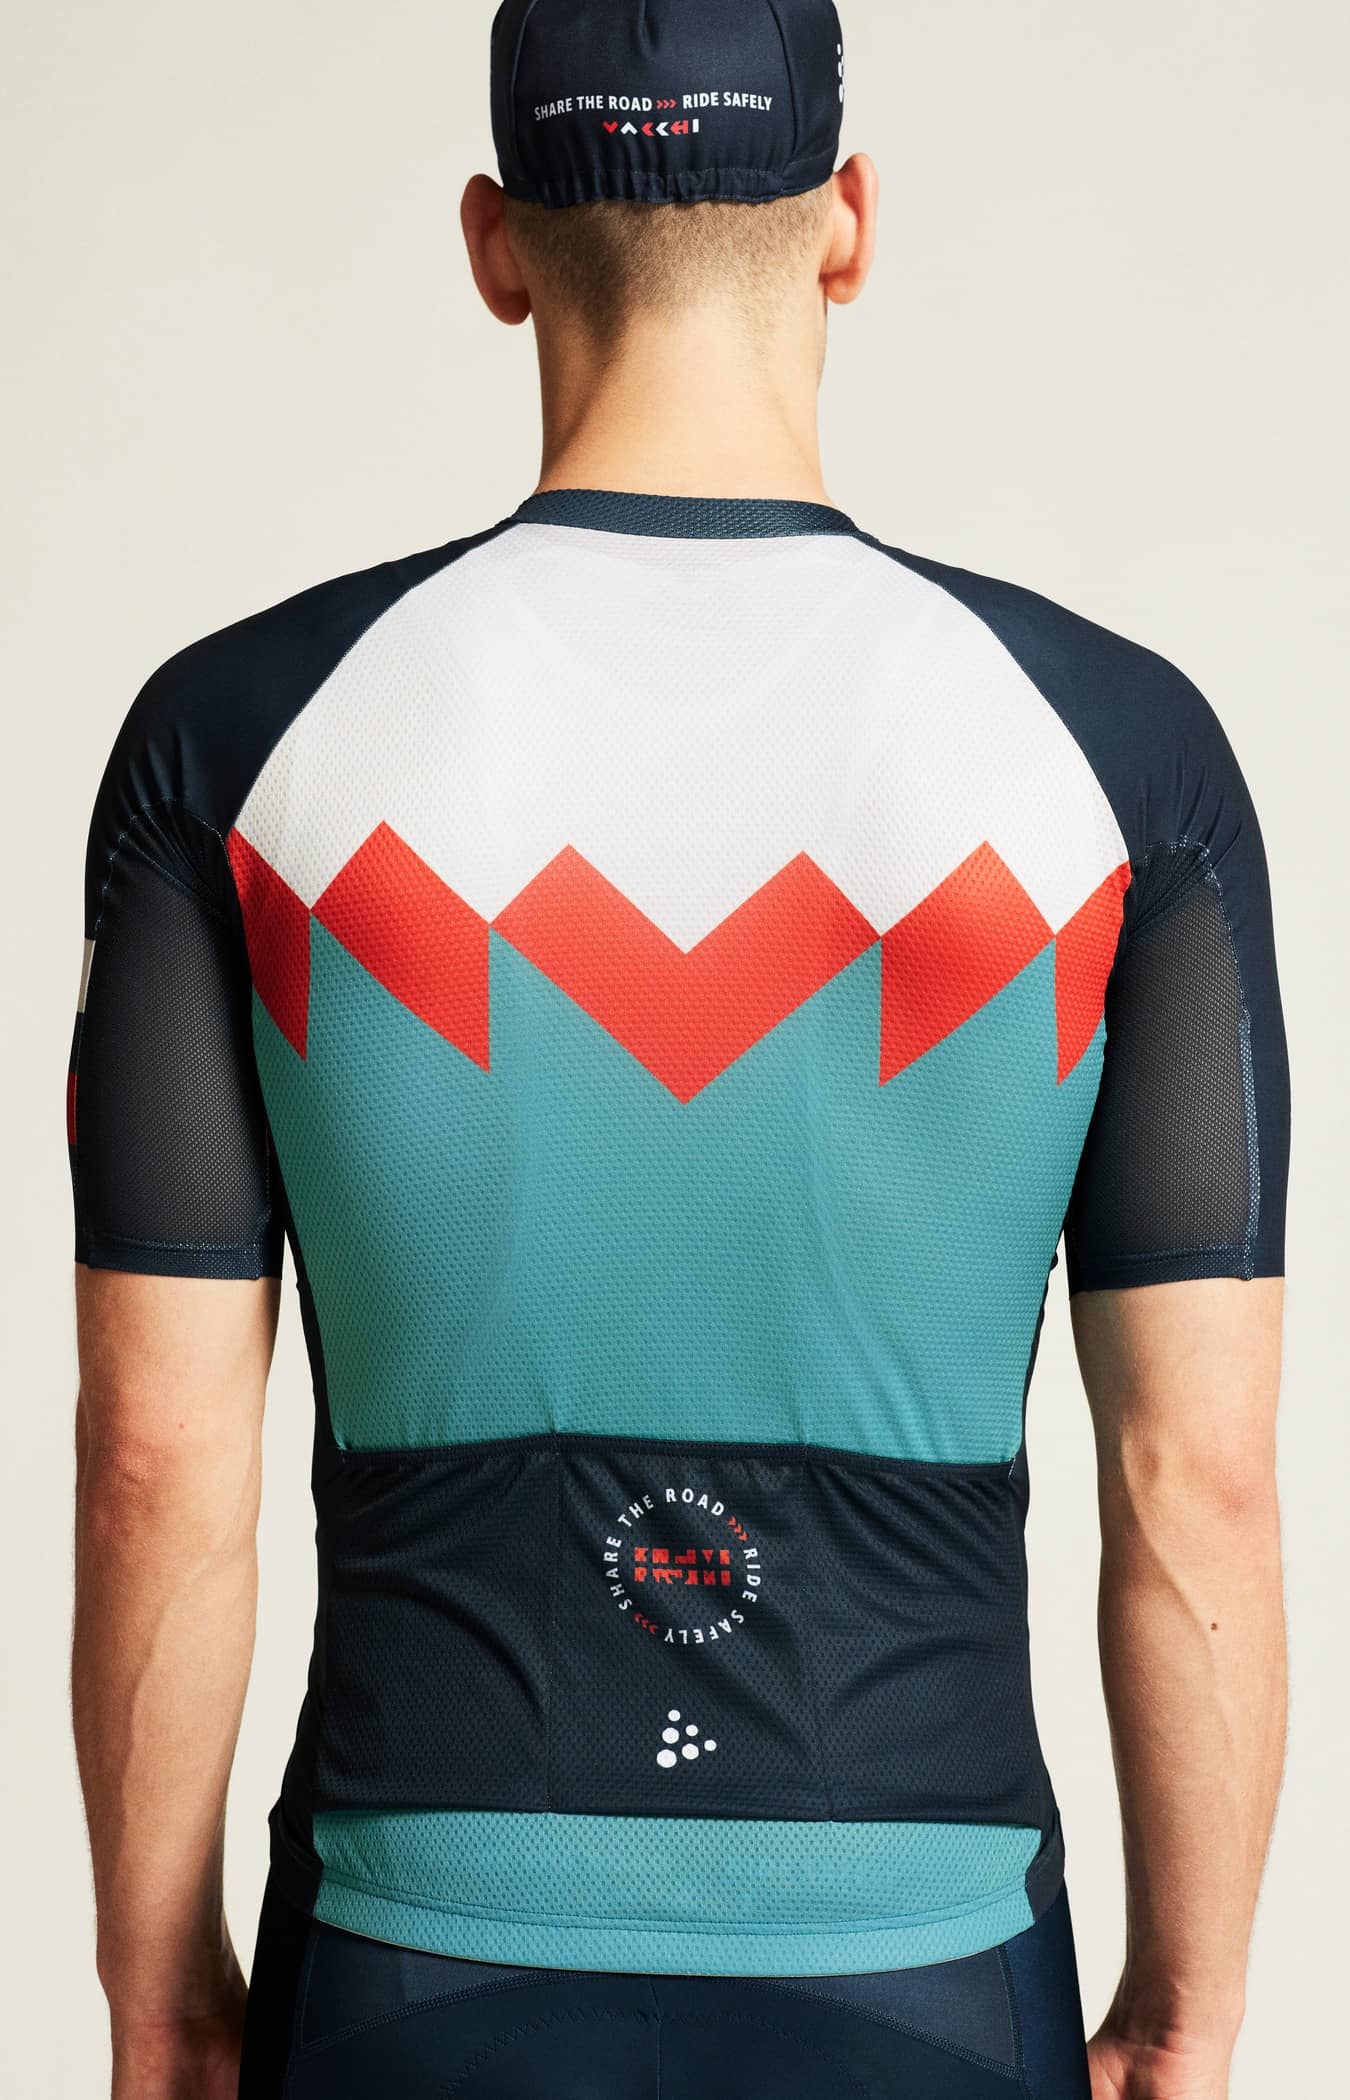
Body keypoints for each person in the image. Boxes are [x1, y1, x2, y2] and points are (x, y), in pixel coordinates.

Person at [68, 3, 1289, 2096]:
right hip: (924, 1948)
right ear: (848, 226)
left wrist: (162, 1999)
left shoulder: (238, 741)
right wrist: (1187, 2011)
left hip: (418, 1929)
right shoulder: (1118, 754)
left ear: (493, 245)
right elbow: (1202, 1479)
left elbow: (153, 1460)